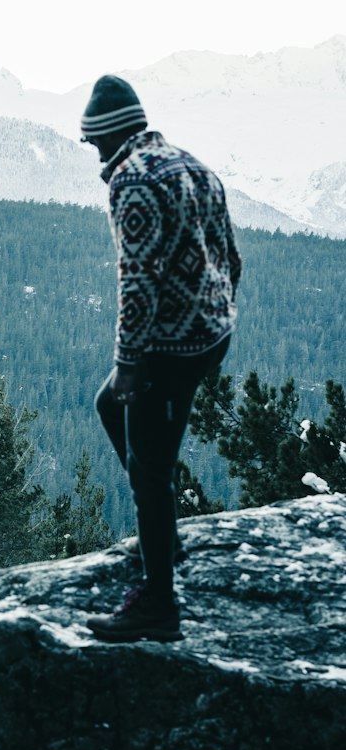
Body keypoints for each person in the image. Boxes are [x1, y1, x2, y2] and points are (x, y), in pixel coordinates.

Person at [81, 74, 241, 642]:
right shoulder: (189, 163)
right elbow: (230, 252)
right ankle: (164, 536)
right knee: (109, 408)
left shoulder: (131, 181)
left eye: (93, 141)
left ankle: (158, 604)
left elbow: (138, 283)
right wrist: (219, 309)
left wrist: (130, 365)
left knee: (150, 468)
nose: (93, 153)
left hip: (172, 346)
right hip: (210, 331)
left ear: (109, 135)